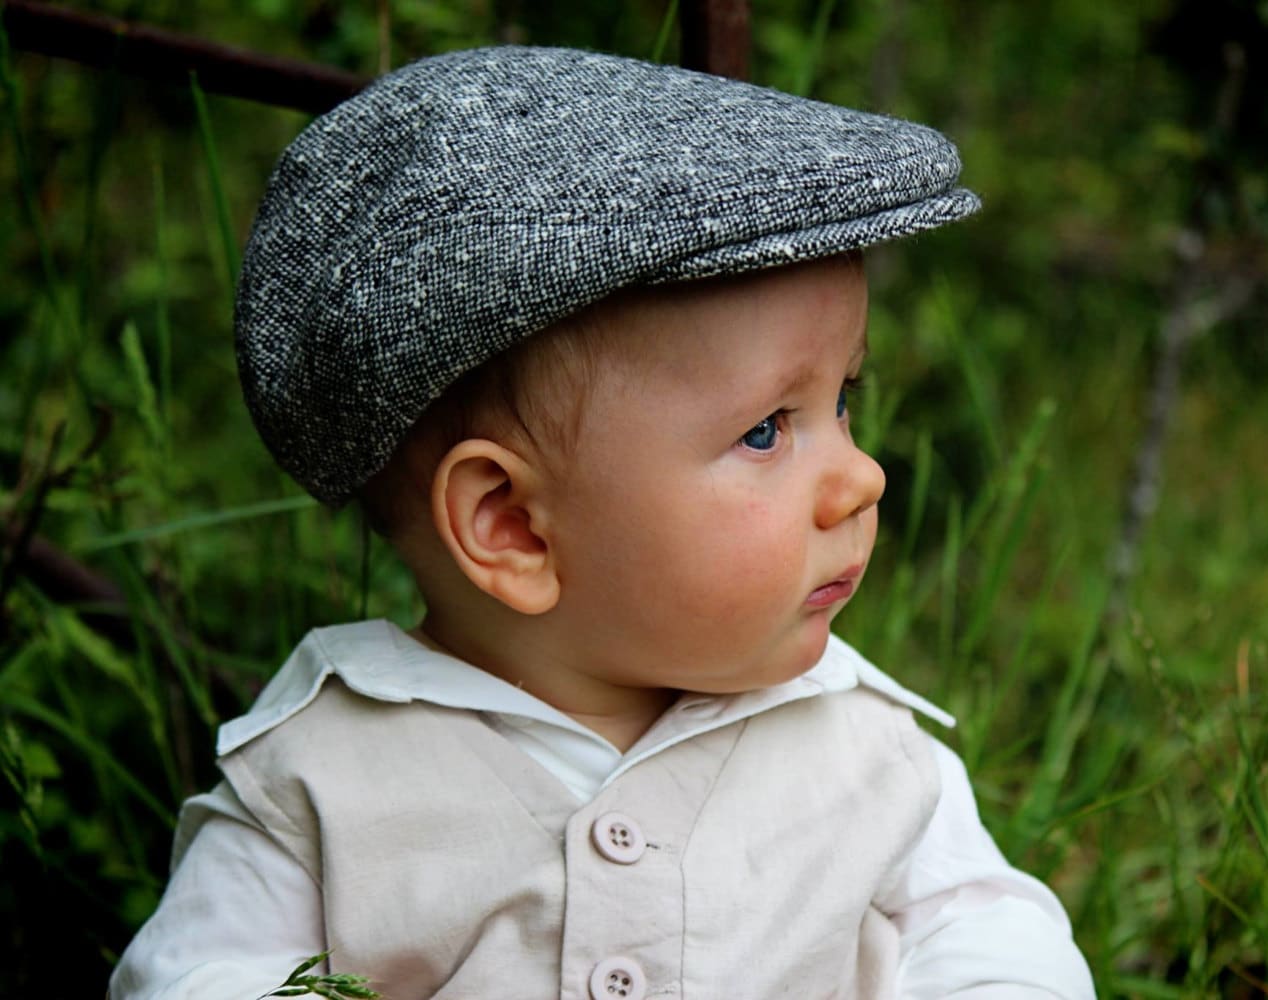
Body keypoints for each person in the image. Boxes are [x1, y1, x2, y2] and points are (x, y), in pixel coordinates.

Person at [110, 45, 1096, 1000]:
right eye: (765, 430)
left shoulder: (865, 748)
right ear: (512, 525)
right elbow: (197, 978)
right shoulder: (321, 777)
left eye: (843, 401)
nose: (863, 477)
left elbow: (996, 941)